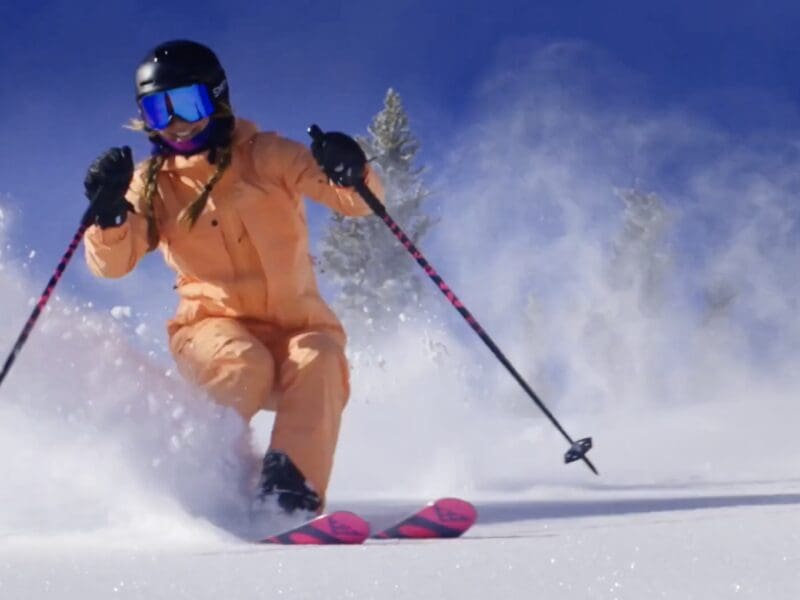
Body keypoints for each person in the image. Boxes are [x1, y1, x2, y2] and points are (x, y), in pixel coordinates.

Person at [82, 40, 382, 529]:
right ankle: (199, 479)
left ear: (217, 99)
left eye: (190, 104)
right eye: (161, 109)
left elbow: (358, 201)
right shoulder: (153, 183)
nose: (177, 122)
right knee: (244, 363)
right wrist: (111, 213)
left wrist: (351, 171)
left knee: (321, 357)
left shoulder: (268, 156)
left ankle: (287, 498)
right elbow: (112, 265)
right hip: (211, 330)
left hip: (296, 325)